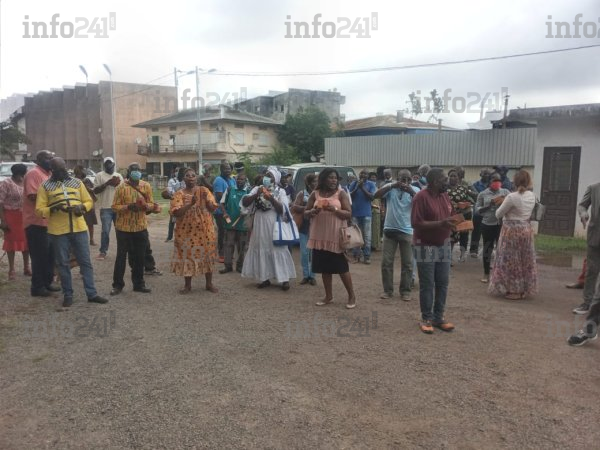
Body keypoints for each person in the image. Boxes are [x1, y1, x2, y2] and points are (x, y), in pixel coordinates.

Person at [35, 157, 108, 307]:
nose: (62, 172)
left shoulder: (77, 183)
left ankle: (92, 294)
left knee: (85, 262)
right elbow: (39, 210)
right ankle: (68, 295)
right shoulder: (45, 186)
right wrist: (54, 208)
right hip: (58, 231)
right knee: (63, 263)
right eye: (57, 169)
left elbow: (89, 201)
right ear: (52, 170)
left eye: (63, 168)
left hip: (79, 228)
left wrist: (82, 207)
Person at [411, 168, 456, 334]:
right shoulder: (421, 197)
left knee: (443, 282)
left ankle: (438, 317)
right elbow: (416, 223)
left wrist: (456, 222)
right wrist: (441, 224)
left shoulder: (444, 196)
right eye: (445, 179)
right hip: (425, 246)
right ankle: (427, 318)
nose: (447, 182)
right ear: (436, 181)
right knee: (427, 284)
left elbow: (449, 215)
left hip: (444, 245)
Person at [305, 168, 356, 308]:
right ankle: (328, 296)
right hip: (319, 236)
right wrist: (313, 211)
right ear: (323, 179)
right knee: (324, 268)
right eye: (331, 177)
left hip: (335, 236)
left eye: (335, 178)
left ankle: (351, 296)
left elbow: (348, 214)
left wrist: (334, 210)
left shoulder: (341, 193)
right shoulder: (315, 193)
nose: (334, 180)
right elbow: (306, 213)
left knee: (342, 268)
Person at [241, 166, 296, 290]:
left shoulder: (280, 191)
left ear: (275, 179)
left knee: (278, 249)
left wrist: (271, 198)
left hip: (274, 223)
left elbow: (283, 210)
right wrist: (257, 194)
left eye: (270, 176)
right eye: (266, 175)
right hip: (260, 223)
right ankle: (264, 278)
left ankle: (284, 279)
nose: (266, 177)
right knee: (261, 248)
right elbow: (244, 202)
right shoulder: (257, 189)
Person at [488, 170, 537, 300]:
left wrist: (503, 202)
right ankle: (524, 289)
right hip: (526, 229)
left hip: (511, 231)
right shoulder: (532, 195)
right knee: (524, 260)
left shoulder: (511, 197)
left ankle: (515, 290)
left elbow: (498, 214)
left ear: (514, 182)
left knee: (511, 261)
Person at [170, 168, 219, 294]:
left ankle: (209, 284)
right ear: (184, 179)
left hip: (205, 230)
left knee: (207, 255)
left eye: (193, 175)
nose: (191, 177)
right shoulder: (179, 194)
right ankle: (187, 286)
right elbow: (176, 213)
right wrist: (190, 204)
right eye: (188, 175)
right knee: (187, 255)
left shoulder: (204, 190)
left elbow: (213, 208)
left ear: (196, 178)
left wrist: (207, 201)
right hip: (186, 231)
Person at [110, 163, 155, 295]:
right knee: (121, 257)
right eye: (133, 170)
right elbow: (114, 206)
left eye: (138, 170)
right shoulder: (121, 187)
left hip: (140, 227)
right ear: (129, 172)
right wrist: (128, 207)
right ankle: (117, 285)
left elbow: (152, 204)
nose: (136, 172)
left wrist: (145, 206)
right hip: (123, 228)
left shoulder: (146, 186)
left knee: (140, 257)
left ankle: (139, 284)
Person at [375, 169, 419, 301]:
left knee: (408, 263)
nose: (405, 182)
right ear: (397, 178)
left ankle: (405, 291)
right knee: (386, 262)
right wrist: (391, 185)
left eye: (408, 179)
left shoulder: (415, 190)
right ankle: (387, 291)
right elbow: (376, 195)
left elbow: (422, 203)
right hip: (390, 230)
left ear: (411, 180)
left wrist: (411, 191)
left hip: (407, 231)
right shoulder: (390, 188)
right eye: (402, 179)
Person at [23, 150, 60, 297]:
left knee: (50, 256)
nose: (51, 160)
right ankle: (37, 287)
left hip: (48, 222)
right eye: (47, 158)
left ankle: (47, 283)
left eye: (52, 157)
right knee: (39, 257)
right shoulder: (34, 173)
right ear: (38, 160)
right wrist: (54, 199)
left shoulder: (49, 174)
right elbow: (32, 196)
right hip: (36, 222)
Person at [475, 173, 511, 283]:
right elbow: (477, 211)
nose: (497, 183)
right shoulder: (482, 194)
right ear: (489, 182)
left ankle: (500, 274)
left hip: (502, 225)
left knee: (502, 250)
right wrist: (489, 206)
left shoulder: (506, 192)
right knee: (488, 249)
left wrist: (503, 202)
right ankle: (486, 273)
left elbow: (512, 205)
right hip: (487, 225)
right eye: (494, 181)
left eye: (499, 181)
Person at [572, 182, 600, 314]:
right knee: (591, 270)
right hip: (595, 235)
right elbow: (582, 205)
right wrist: (583, 213)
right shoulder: (594, 188)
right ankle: (587, 303)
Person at [0, 163, 30, 280]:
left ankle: (26, 267)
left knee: (26, 243)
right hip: (10, 216)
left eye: (24, 174)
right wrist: (3, 220)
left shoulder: (26, 182)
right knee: (11, 243)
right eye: (21, 174)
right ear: (15, 173)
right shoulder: (6, 183)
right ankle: (11, 269)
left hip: (24, 216)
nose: (22, 177)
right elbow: (0, 203)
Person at [219, 173, 250, 274]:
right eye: (238, 179)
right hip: (230, 223)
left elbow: (252, 206)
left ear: (245, 180)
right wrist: (225, 213)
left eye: (242, 179)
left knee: (242, 246)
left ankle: (240, 266)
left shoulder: (249, 191)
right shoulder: (230, 189)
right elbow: (222, 203)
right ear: (235, 180)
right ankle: (228, 266)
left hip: (243, 224)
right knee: (228, 245)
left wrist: (247, 212)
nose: (239, 181)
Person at [93, 157, 123, 260]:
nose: (109, 166)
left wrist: (116, 184)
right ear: (104, 165)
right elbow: (95, 191)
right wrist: (107, 183)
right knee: (105, 231)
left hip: (118, 207)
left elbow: (123, 191)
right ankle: (103, 252)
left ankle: (122, 251)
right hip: (105, 207)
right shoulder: (99, 175)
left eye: (111, 164)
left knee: (120, 231)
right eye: (107, 164)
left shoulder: (118, 176)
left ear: (114, 165)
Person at [292, 173, 318, 285]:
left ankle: (313, 276)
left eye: (317, 181)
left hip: (316, 227)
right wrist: (307, 208)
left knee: (314, 253)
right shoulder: (302, 194)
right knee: (304, 253)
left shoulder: (319, 193)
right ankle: (305, 275)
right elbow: (294, 207)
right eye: (314, 181)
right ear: (308, 183)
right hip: (304, 227)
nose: (316, 183)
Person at [348, 169, 376, 264]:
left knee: (367, 236)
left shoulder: (371, 184)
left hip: (366, 214)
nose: (363, 175)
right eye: (361, 173)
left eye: (365, 174)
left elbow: (372, 197)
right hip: (355, 213)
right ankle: (356, 255)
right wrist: (357, 188)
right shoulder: (354, 183)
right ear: (359, 175)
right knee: (355, 236)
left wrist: (363, 188)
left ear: (368, 176)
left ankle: (367, 256)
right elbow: (349, 196)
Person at [447, 168, 474, 263]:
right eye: (451, 176)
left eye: (455, 176)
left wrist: (465, 204)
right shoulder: (444, 188)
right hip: (449, 216)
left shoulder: (463, 188)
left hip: (462, 215)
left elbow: (472, 199)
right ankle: (449, 257)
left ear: (458, 178)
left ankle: (462, 255)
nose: (453, 178)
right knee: (450, 236)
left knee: (464, 234)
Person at [213, 162, 236, 263]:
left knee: (229, 232)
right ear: (221, 170)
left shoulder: (232, 180)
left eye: (229, 169)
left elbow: (235, 192)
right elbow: (219, 196)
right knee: (222, 232)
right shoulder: (218, 180)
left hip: (230, 211)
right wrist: (230, 195)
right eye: (225, 169)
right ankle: (221, 253)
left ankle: (228, 253)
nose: (228, 170)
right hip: (220, 211)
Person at [470, 168, 493, 257]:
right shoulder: (475, 185)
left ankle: (488, 251)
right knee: (476, 231)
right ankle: (473, 250)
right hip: (478, 211)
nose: (487, 175)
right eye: (485, 174)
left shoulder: (492, 185)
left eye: (488, 174)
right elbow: (475, 196)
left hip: (489, 211)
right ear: (481, 174)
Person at [73, 165, 98, 246]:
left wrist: (88, 188)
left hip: (87, 203)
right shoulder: (74, 181)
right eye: (82, 170)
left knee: (90, 223)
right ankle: (87, 240)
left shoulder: (86, 180)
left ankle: (91, 239)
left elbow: (92, 189)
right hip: (80, 204)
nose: (83, 172)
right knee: (80, 223)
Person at [165, 167, 185, 242]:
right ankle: (169, 237)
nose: (177, 172)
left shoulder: (186, 180)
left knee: (183, 220)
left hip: (184, 203)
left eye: (179, 171)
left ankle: (182, 236)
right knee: (172, 220)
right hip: (175, 203)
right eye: (176, 171)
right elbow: (171, 192)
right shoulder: (172, 181)